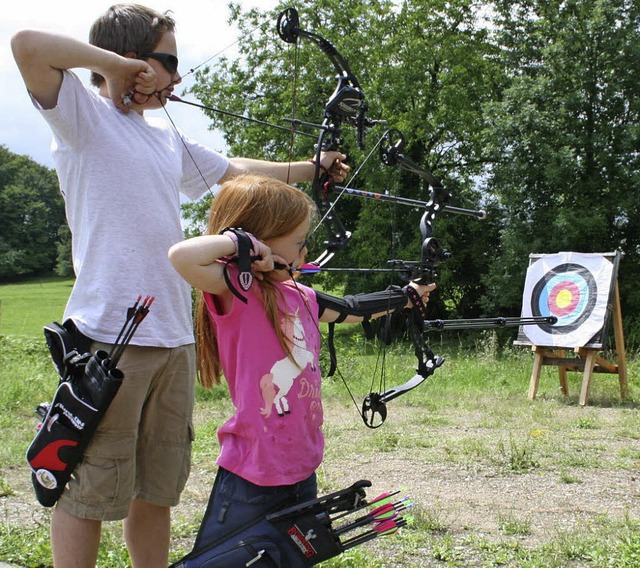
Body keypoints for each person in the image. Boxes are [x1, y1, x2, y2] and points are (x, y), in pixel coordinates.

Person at [11, 4, 349, 567]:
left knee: (159, 486)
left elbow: (233, 168)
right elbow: (26, 44)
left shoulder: (163, 140)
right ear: (133, 59)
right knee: (89, 486)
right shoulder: (83, 116)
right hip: (109, 336)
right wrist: (116, 67)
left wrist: (311, 167)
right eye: (168, 61)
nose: (177, 77)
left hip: (170, 336)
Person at [167, 174, 435, 559]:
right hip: (253, 472)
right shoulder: (237, 288)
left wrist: (406, 296)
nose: (305, 251)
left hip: (301, 464)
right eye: (297, 242)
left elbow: (353, 310)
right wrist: (242, 244)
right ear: (263, 238)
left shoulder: (301, 295)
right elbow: (181, 256)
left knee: (287, 558)